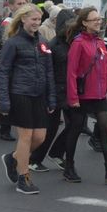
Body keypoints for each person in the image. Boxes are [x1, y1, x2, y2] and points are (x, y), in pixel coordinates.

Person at [0, 4, 56, 194]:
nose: (37, 23)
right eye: (33, 19)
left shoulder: (43, 43)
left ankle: (13, 158)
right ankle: (23, 178)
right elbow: (3, 72)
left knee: (40, 137)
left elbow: (49, 71)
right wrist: (4, 101)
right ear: (23, 19)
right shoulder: (13, 43)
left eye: (39, 20)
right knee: (26, 136)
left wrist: (51, 98)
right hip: (19, 94)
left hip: (39, 95)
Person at [65, 6, 107, 184]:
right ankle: (69, 167)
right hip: (82, 96)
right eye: (95, 20)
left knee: (105, 128)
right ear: (84, 23)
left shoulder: (99, 42)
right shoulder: (78, 43)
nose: (99, 22)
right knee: (75, 129)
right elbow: (71, 73)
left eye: (99, 19)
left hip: (99, 95)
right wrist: (73, 97)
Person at [28, 9, 76, 172]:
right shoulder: (52, 45)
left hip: (69, 89)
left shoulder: (74, 43)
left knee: (76, 123)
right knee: (50, 127)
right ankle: (34, 159)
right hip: (54, 90)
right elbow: (45, 70)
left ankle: (56, 152)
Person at [0, 0, 28, 141]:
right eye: (19, 4)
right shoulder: (8, 22)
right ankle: (4, 126)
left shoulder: (27, 21)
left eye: (24, 3)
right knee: (7, 93)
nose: (22, 6)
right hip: (11, 62)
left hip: (24, 65)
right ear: (11, 6)